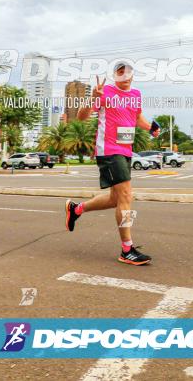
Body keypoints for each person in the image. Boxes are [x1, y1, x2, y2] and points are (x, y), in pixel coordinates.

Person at [65, 62, 160, 265]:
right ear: (115, 75)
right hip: (108, 150)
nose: (125, 76)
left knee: (115, 199)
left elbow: (137, 118)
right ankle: (127, 249)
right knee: (126, 195)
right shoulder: (105, 92)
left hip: (126, 150)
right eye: (120, 72)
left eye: (128, 73)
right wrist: (93, 99)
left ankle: (76, 209)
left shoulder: (135, 94)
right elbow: (81, 118)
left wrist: (151, 127)